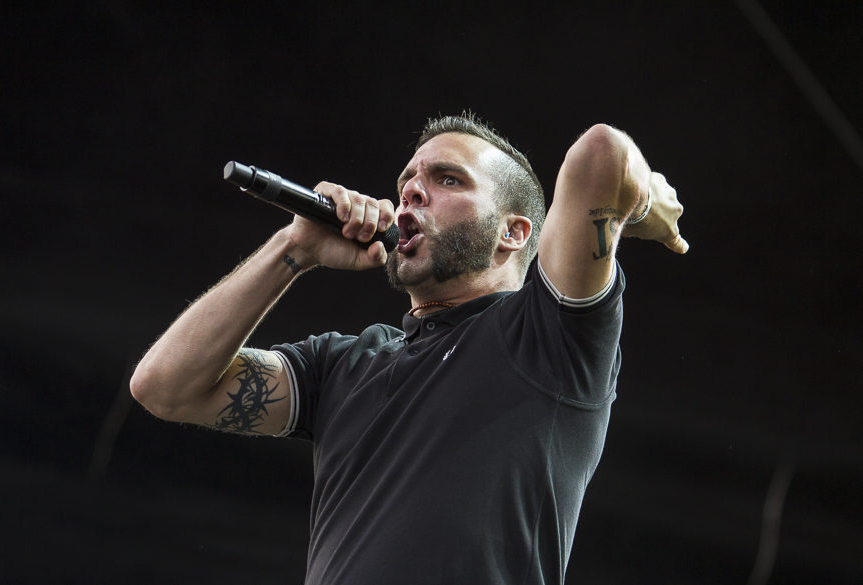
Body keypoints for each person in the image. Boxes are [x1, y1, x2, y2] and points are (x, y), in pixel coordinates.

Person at [130, 114, 687, 584]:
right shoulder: (344, 363)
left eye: (448, 179)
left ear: (513, 233)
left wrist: (643, 203)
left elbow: (601, 153)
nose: (412, 191)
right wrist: (293, 247)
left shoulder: (545, 333)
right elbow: (164, 388)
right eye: (408, 181)